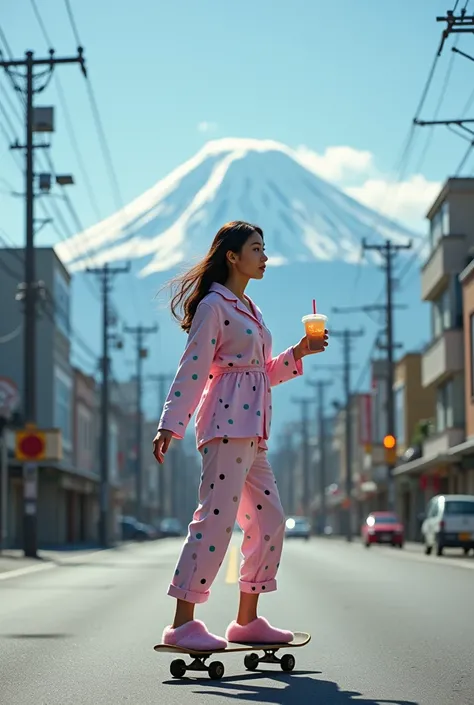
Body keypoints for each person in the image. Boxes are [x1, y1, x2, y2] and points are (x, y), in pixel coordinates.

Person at [153, 221, 328, 651]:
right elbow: (194, 367)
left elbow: (261, 373)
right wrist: (170, 423)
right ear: (232, 256)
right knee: (215, 520)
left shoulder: (249, 306)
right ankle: (181, 624)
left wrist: (298, 353)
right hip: (226, 426)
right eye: (257, 248)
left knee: (270, 520)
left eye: (264, 249)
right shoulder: (215, 306)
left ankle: (247, 621)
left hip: (253, 432)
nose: (265, 256)